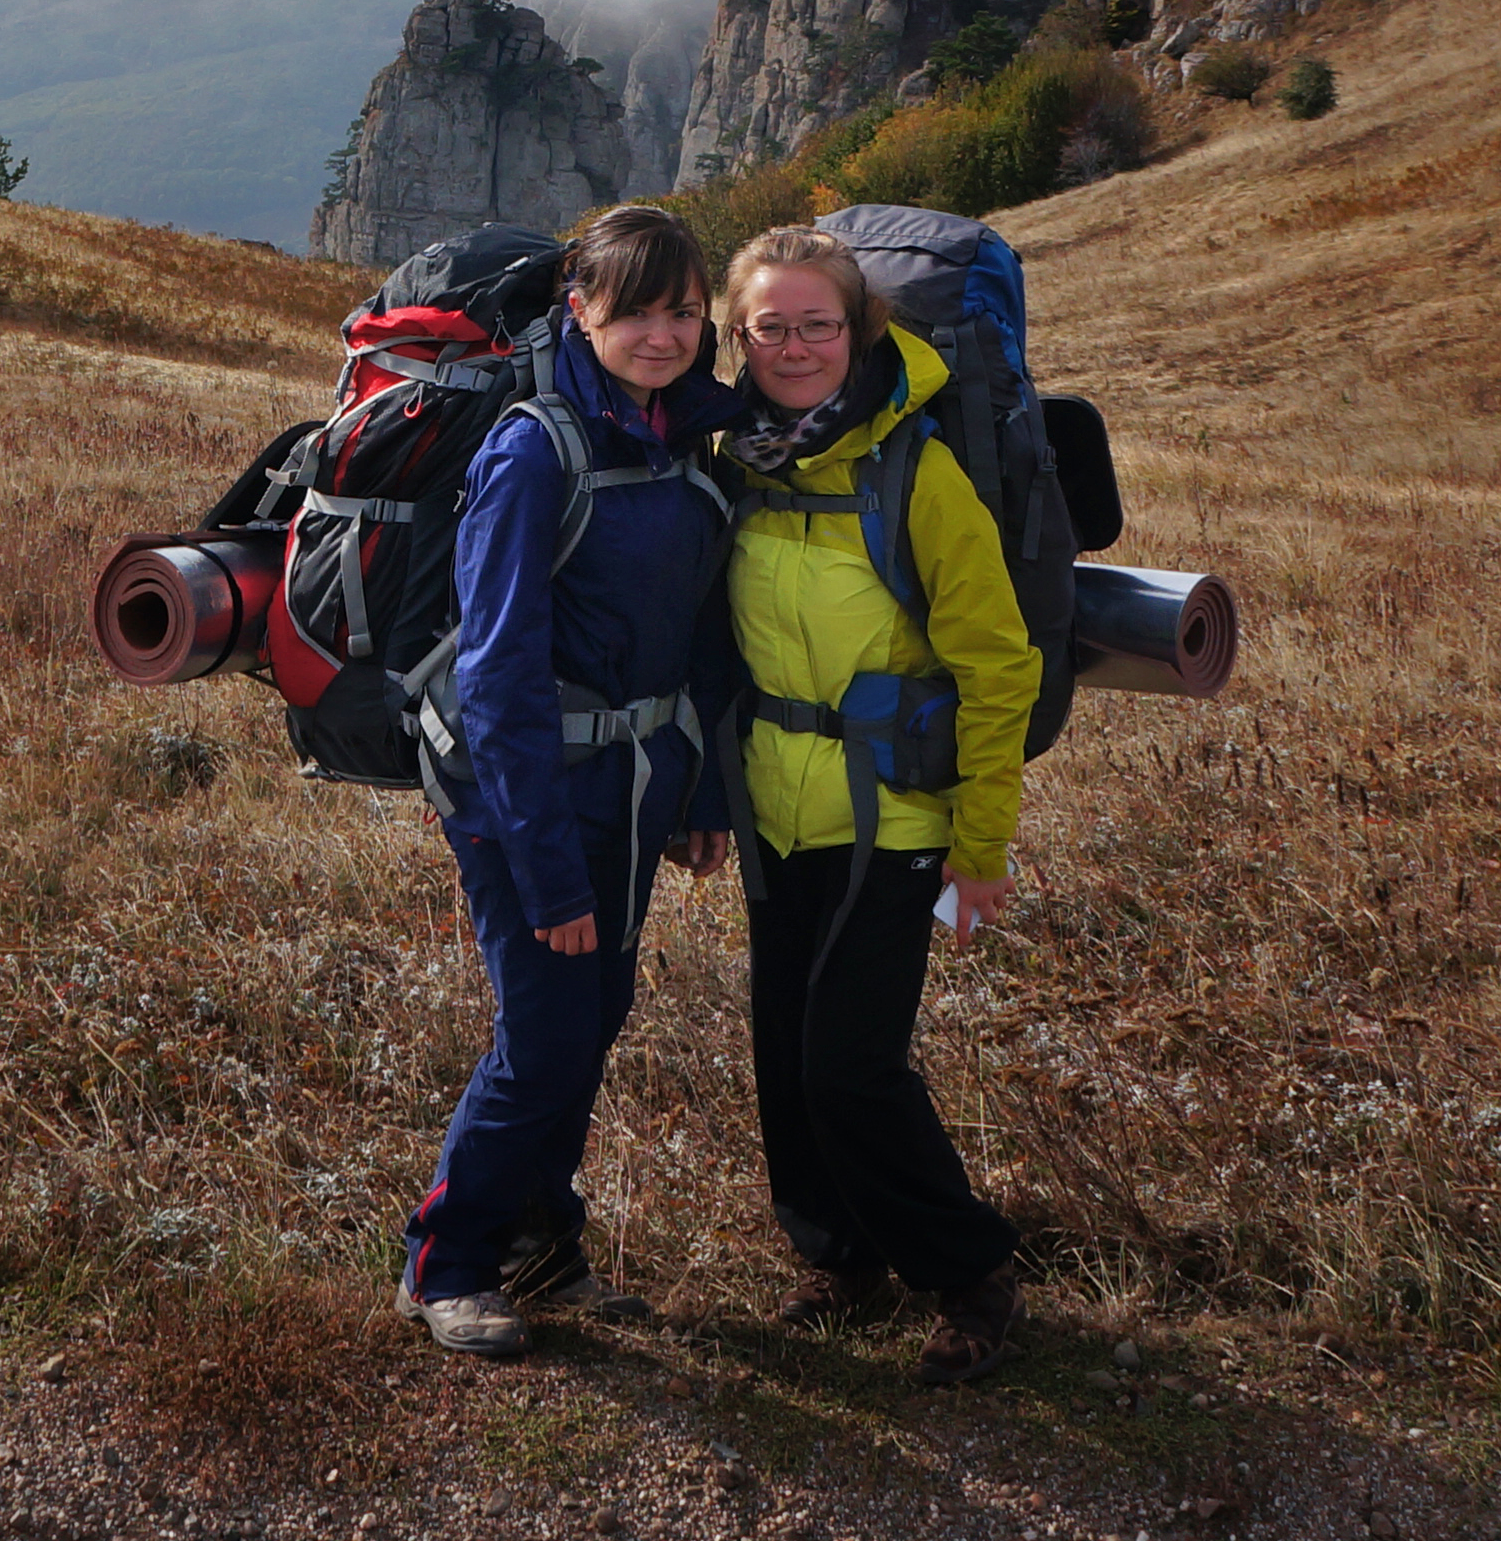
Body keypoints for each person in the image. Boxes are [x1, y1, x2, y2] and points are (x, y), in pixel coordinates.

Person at [397, 203, 743, 1360]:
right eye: (635, 308)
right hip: (518, 795)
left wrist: (701, 798)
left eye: (683, 310)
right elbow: (496, 673)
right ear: (579, 311)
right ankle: (446, 1263)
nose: (662, 332)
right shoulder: (531, 450)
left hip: (634, 787)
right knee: (546, 1028)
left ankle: (542, 1249)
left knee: (593, 1016)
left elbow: (696, 635)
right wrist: (547, 876)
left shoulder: (680, 441)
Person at [715, 220, 1037, 1385]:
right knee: (781, 1050)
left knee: (847, 1064)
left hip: (893, 815)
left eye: (817, 324)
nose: (795, 347)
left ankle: (968, 1273)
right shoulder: (738, 458)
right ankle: (835, 1254)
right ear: (737, 339)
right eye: (770, 327)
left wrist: (979, 843)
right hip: (773, 810)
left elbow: (1000, 663)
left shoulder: (919, 469)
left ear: (859, 330)